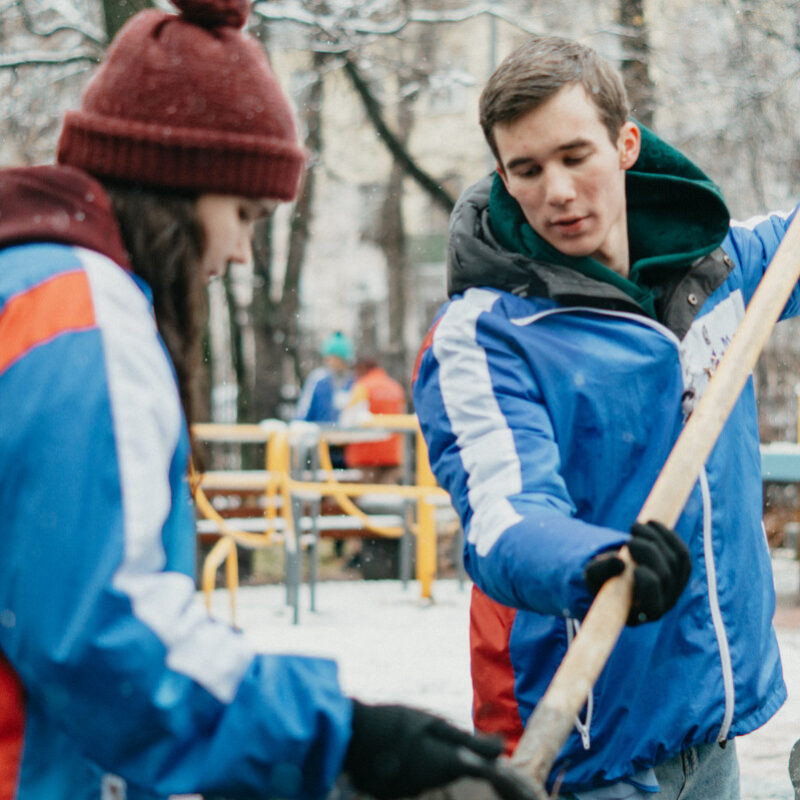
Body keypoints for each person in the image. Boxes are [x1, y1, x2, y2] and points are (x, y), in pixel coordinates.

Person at [0, 2, 535, 798]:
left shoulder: (24, 288)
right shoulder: (83, 317)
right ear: (178, 191)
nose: (242, 252)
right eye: (243, 215)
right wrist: (341, 735)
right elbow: (104, 632)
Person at [412, 34, 793, 800]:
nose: (556, 191)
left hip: (709, 725)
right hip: (583, 744)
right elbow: (504, 518)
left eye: (574, 155)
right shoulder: (487, 337)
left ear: (626, 145)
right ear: (503, 178)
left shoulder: (717, 270)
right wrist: (594, 561)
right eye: (527, 169)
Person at [341, 352, 407, 484]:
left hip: (365, 456)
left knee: (363, 500)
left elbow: (348, 420)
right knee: (387, 499)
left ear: (361, 368)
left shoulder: (363, 386)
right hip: (392, 455)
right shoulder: (395, 387)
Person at [294, 331, 356, 425]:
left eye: (335, 358)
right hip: (319, 435)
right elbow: (303, 410)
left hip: (345, 437)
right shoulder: (318, 379)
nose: (330, 362)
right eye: (328, 358)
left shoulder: (353, 381)